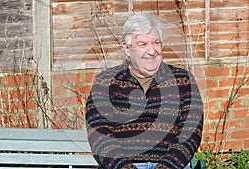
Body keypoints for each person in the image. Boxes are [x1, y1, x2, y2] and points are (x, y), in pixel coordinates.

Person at [85, 13, 203, 169]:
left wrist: (166, 166)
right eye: (142, 44)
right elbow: (98, 132)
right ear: (127, 48)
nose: (152, 51)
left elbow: (191, 131)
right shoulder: (105, 82)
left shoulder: (183, 80)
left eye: (156, 42)